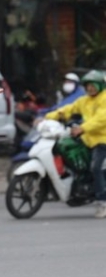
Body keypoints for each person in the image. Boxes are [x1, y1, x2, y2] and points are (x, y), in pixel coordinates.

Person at [43, 70, 106, 219]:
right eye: (88, 86)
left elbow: (100, 119)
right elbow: (68, 110)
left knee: (95, 168)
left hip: (102, 140)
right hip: (87, 139)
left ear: (100, 85)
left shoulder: (104, 99)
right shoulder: (83, 100)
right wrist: (47, 117)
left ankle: (102, 202)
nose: (90, 88)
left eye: (93, 85)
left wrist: (82, 128)